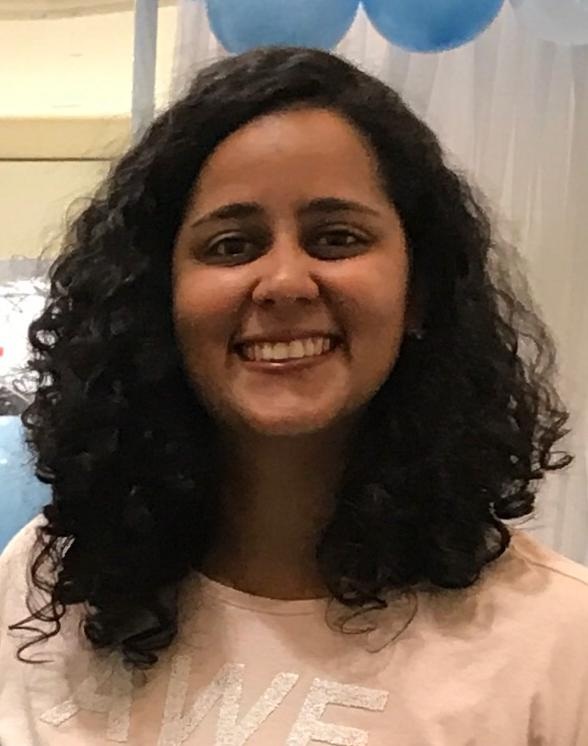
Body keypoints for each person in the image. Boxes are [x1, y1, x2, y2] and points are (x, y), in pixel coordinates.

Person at [0, 46, 586, 746]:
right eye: (231, 245)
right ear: (160, 299)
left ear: (419, 293)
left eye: (336, 238)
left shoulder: (558, 643)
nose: (283, 282)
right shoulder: (47, 581)